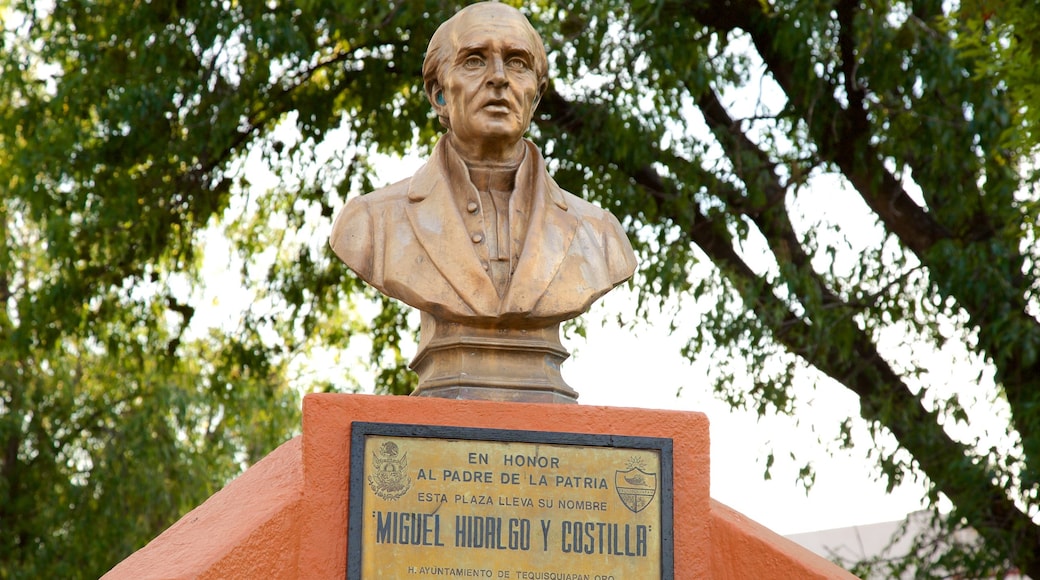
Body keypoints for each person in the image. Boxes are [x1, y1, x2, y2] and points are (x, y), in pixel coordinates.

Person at [330, 2, 636, 401]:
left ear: (536, 96)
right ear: (439, 94)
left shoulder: (599, 235)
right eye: (474, 60)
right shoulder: (371, 225)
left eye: (517, 63)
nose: (498, 78)